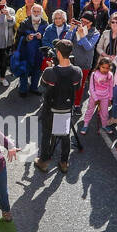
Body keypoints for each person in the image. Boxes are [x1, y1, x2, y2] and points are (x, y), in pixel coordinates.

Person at [36, 39, 83, 174]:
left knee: (46, 134)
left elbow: (42, 88)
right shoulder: (77, 71)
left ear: (57, 52)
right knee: (64, 135)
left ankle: (43, 162)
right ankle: (64, 162)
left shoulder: (49, 72)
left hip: (50, 109)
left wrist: (50, 68)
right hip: (66, 109)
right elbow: (77, 87)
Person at [82, 56, 117, 134]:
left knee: (105, 113)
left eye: (107, 68)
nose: (105, 69)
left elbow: (111, 87)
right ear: (99, 66)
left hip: (105, 97)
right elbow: (91, 87)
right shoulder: (94, 74)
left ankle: (104, 125)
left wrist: (110, 98)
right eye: (103, 67)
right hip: (94, 96)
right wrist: (95, 98)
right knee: (90, 110)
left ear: (110, 68)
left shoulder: (110, 75)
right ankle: (85, 124)